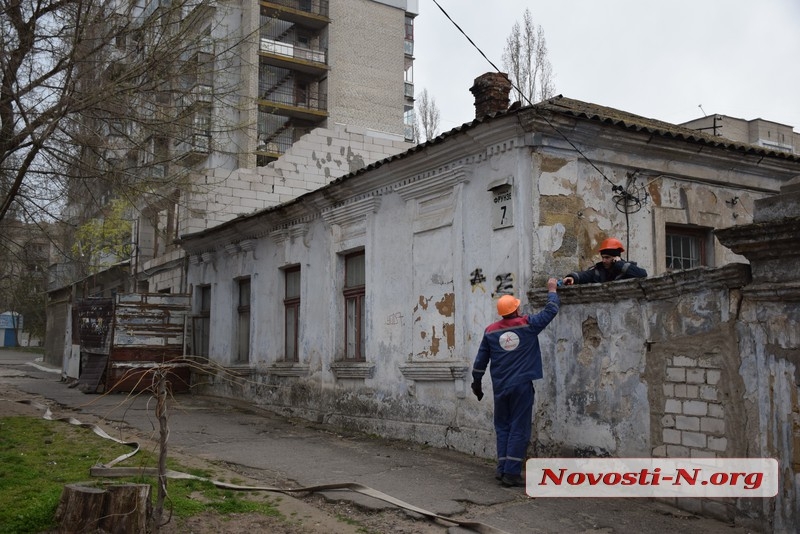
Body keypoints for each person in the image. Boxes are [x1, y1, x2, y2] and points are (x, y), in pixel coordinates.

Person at [470, 278, 560, 487]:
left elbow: (480, 360)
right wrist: (552, 290)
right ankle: (511, 473)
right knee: (519, 427)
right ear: (516, 309)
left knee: (502, 426)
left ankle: (502, 468)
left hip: (500, 387)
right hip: (521, 386)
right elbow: (551, 310)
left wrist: (476, 383)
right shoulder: (527, 324)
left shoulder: (490, 331)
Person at [562, 237, 647, 285]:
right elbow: (585, 275)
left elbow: (642, 274)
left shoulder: (626, 268)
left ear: (616, 257)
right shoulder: (598, 270)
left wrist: (619, 264)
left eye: (607, 257)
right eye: (603, 257)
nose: (604, 260)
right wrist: (572, 277)